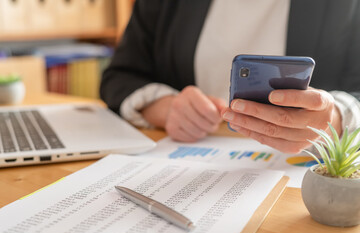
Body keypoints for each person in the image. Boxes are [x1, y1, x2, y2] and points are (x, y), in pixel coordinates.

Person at [100, 0, 360, 154]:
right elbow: (119, 75)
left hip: (301, 176)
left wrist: (334, 118)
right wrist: (164, 106)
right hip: (188, 159)